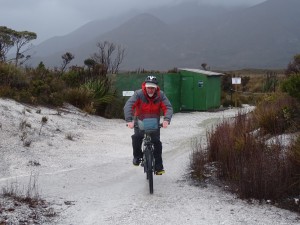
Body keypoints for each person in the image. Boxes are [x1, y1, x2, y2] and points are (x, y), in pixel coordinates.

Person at [123, 75, 173, 175]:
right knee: (136, 137)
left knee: (157, 144)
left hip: (154, 124)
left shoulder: (161, 95)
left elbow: (168, 107)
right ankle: (137, 157)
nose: (150, 90)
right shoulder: (138, 94)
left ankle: (158, 168)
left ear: (156, 88)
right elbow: (129, 105)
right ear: (145, 87)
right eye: (148, 87)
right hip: (140, 122)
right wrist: (129, 121)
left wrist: (166, 120)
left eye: (152, 88)